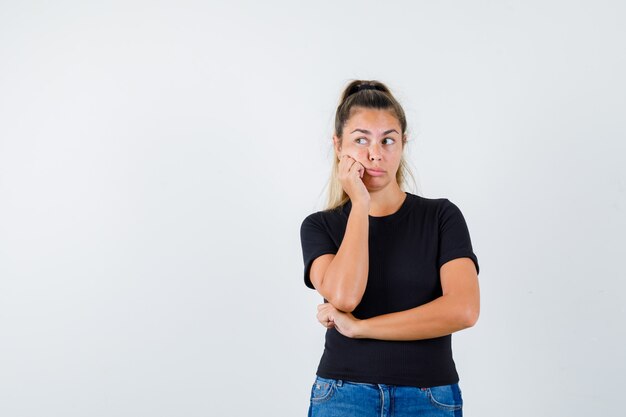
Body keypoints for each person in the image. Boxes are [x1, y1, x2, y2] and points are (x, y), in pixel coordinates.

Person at [299, 80, 480, 417]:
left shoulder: (441, 217)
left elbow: (463, 310)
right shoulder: (320, 226)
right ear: (338, 146)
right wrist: (360, 204)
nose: (375, 154)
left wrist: (361, 328)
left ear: (403, 144)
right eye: (360, 140)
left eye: (388, 140)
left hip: (428, 397)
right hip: (343, 396)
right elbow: (344, 297)